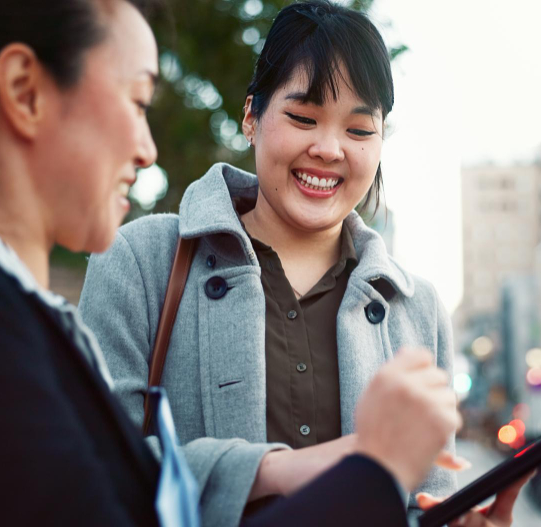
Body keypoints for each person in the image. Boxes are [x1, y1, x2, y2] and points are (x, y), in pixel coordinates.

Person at [0, 0, 528, 526]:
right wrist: (373, 471)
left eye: (360, 128)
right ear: (25, 91)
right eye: (137, 99)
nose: (150, 150)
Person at [79, 1, 460, 522]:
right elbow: (91, 467)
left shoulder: (418, 310)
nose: (328, 149)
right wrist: (266, 471)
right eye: (303, 118)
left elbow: (430, 492)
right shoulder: (142, 261)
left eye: (359, 130)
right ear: (251, 116)